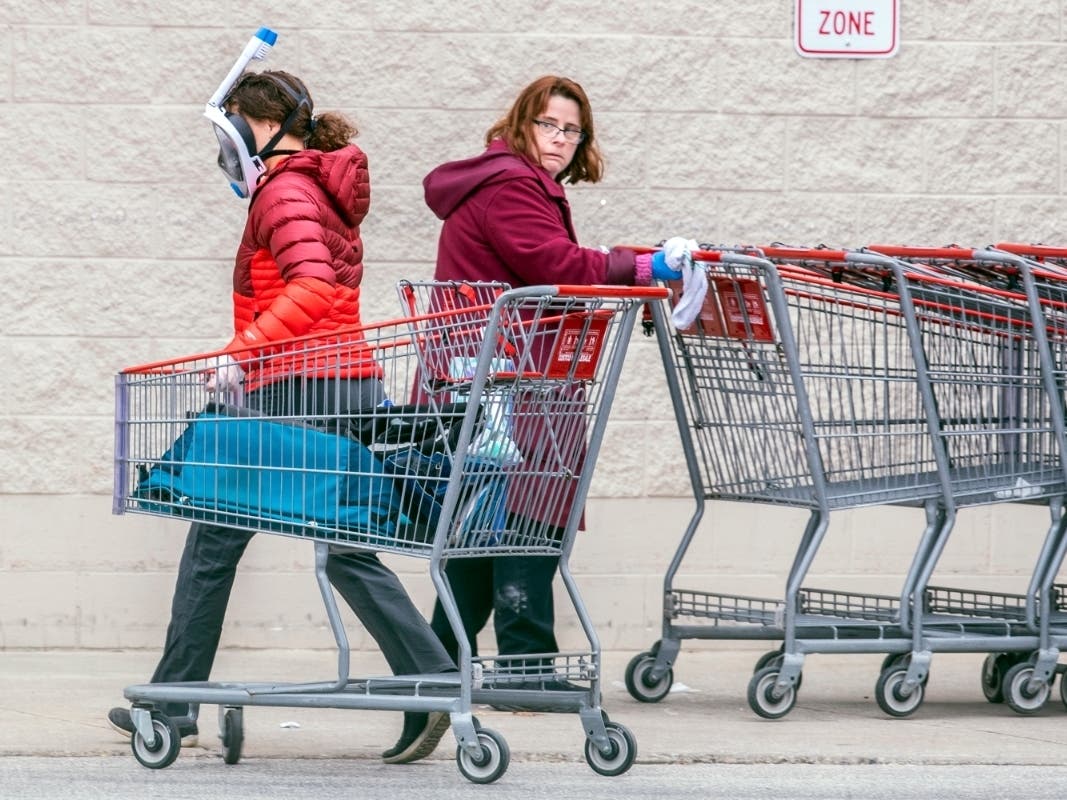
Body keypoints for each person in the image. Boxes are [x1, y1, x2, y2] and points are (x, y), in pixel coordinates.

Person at [108, 68, 454, 765]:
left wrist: (243, 351)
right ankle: (435, 680)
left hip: (292, 384)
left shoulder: (286, 189)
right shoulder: (318, 184)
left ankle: (173, 710)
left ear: (255, 124)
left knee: (212, 544)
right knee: (347, 544)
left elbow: (313, 284)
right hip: (346, 383)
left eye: (228, 125)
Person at [421, 74, 691, 697]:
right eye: (549, 124)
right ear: (522, 123)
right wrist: (643, 266)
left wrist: (625, 264)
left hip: (490, 373)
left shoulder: (504, 180)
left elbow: (546, 260)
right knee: (525, 514)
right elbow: (556, 265)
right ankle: (524, 667)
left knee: (485, 523)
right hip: (509, 378)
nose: (561, 139)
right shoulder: (513, 185)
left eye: (572, 130)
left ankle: (434, 664)